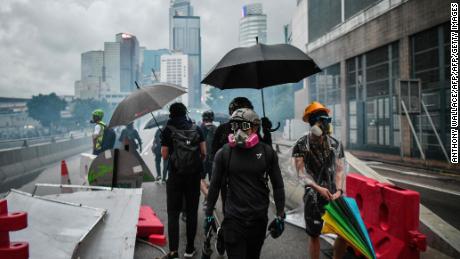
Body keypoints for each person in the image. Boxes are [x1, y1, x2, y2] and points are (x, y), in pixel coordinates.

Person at [204, 108, 286, 259]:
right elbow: (214, 186)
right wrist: (208, 214)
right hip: (233, 220)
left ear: (255, 128)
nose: (239, 130)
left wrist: (280, 215)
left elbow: (278, 185)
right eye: (235, 126)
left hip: (259, 219)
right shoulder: (224, 153)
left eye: (244, 126)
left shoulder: (267, 153)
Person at [292, 101, 347, 259]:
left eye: (327, 121)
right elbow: (301, 174)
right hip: (313, 196)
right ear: (312, 123)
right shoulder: (302, 144)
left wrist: (339, 190)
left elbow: (339, 170)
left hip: (334, 195)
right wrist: (318, 188)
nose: (325, 125)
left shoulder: (335, 144)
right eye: (321, 121)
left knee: (343, 232)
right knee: (314, 235)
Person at [160, 102, 206, 259]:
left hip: (175, 176)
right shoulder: (196, 128)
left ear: (171, 114)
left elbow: (165, 155)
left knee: (173, 214)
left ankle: (173, 251)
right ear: (185, 113)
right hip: (193, 177)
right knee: (192, 212)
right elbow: (204, 152)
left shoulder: (167, 130)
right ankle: (189, 249)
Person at [199, 110, 217, 197]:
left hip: (202, 159)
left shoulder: (199, 129)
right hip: (214, 159)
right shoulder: (216, 129)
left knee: (200, 179)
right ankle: (211, 197)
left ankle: (207, 194)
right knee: (213, 180)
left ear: (203, 119)